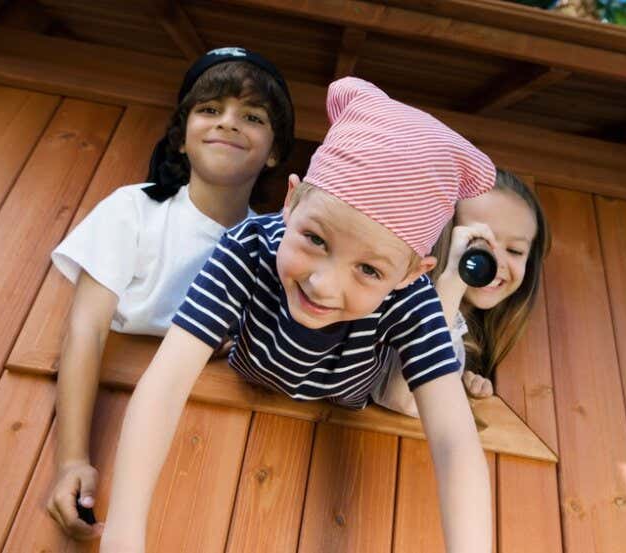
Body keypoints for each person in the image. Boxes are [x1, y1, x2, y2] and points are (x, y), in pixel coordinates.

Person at [99, 76, 497, 553]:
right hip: (255, 363)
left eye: (369, 269)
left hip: (353, 390)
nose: (324, 283)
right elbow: (164, 385)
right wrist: (123, 535)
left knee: (408, 393)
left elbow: (454, 443)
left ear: (413, 272)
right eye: (315, 239)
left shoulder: (413, 299)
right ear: (290, 201)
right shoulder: (245, 248)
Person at [45, 47, 295, 540]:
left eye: (252, 116)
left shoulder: (274, 248)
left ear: (274, 152)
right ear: (181, 138)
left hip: (223, 458)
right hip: (112, 424)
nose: (228, 123)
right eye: (210, 109)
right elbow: (87, 329)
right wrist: (73, 458)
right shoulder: (134, 210)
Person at [372, 169, 551, 417]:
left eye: (515, 250)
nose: (495, 261)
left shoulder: (475, 338)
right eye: (478, 241)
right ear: (444, 237)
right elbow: (403, 399)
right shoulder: (397, 304)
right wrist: (453, 280)